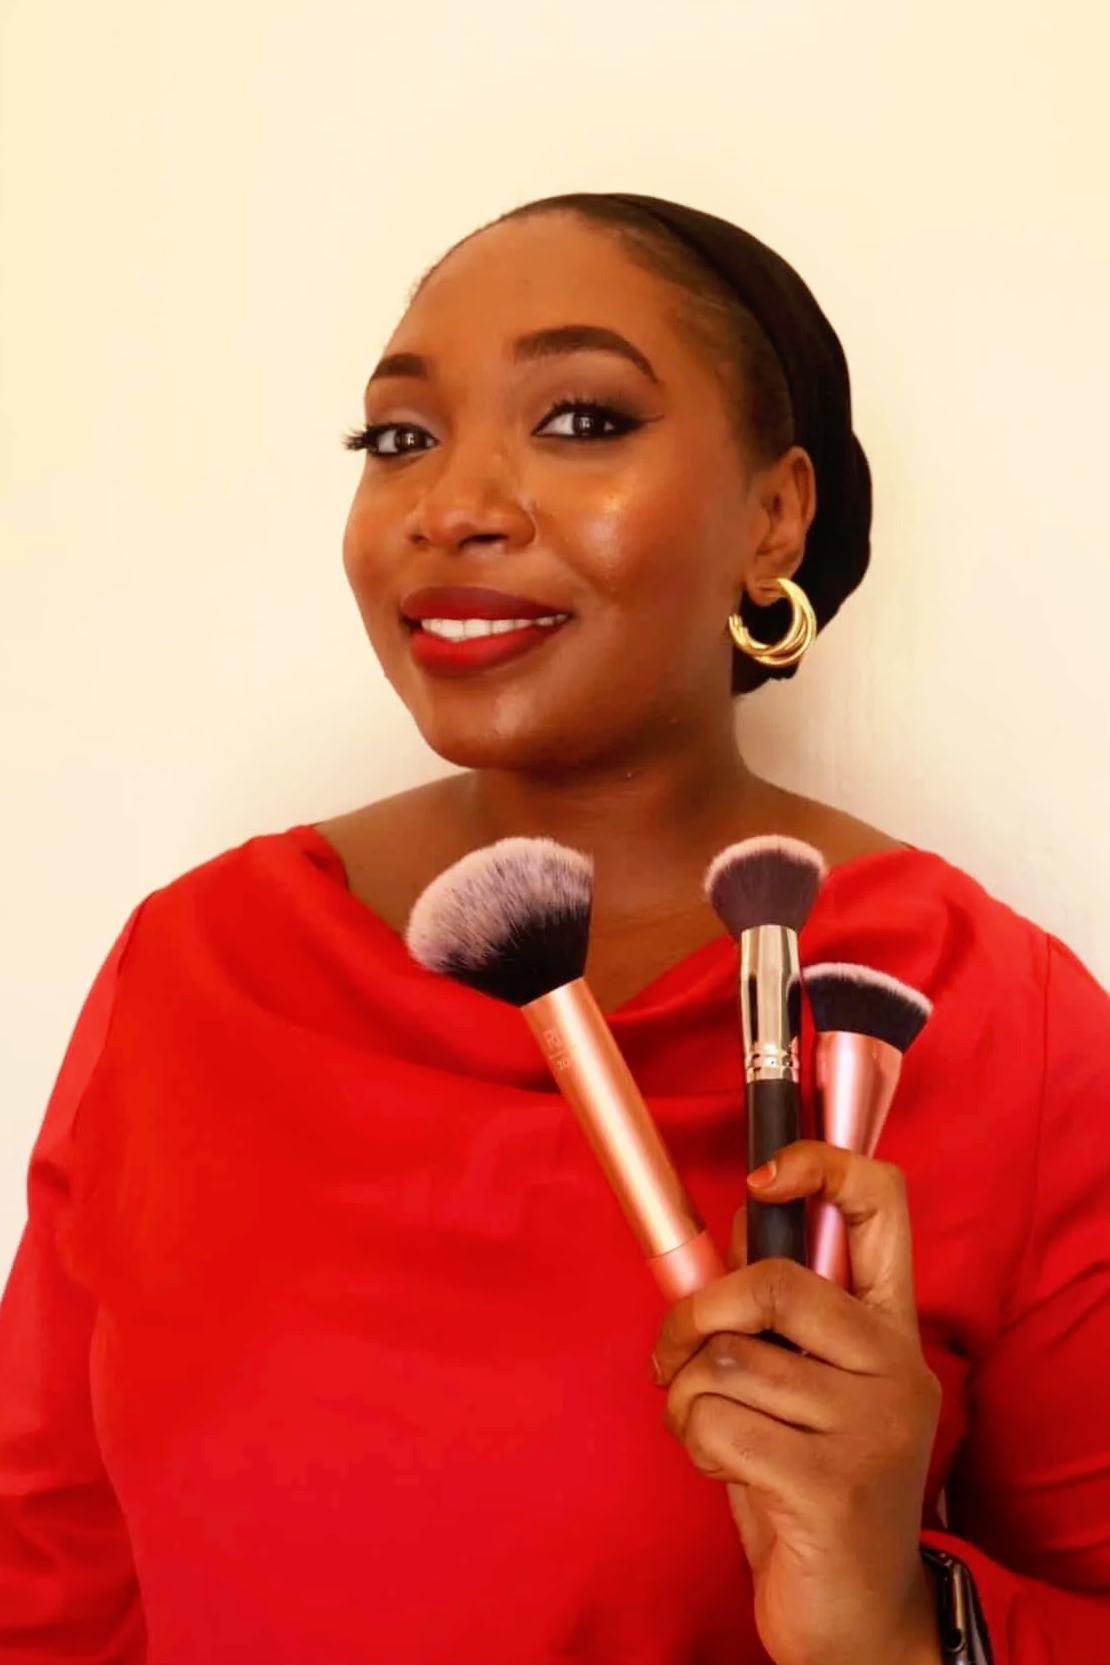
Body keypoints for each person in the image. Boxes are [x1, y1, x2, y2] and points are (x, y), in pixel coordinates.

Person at [1, 192, 1108, 1665]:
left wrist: (897, 1622)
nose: (448, 503)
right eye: (397, 437)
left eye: (581, 418)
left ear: (772, 517)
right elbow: (49, 1583)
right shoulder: (195, 964)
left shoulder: (988, 1015)